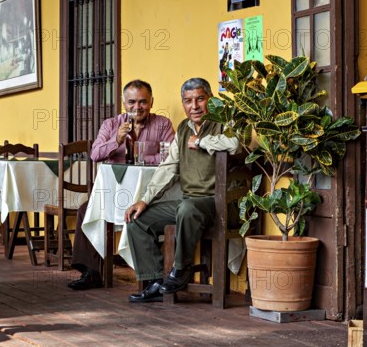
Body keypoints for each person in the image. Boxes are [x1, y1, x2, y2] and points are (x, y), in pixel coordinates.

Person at [123, 77, 240, 302]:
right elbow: (167, 168)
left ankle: (181, 269)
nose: (194, 106)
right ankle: (157, 281)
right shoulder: (183, 129)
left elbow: (234, 144)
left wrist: (201, 142)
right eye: (188, 101)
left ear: (210, 99)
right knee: (137, 219)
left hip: (218, 203)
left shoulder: (224, 122)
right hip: (189, 203)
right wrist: (144, 200)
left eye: (200, 99)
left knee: (187, 208)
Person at [67, 79, 175, 290]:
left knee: (140, 217)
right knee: (85, 211)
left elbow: (171, 157)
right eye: (132, 102)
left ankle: (151, 276)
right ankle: (92, 272)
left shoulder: (163, 124)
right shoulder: (110, 125)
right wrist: (115, 140)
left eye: (143, 102)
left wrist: (144, 156)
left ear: (152, 101)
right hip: (115, 192)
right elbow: (95, 154)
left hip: (149, 195)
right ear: (123, 102)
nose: (137, 108)